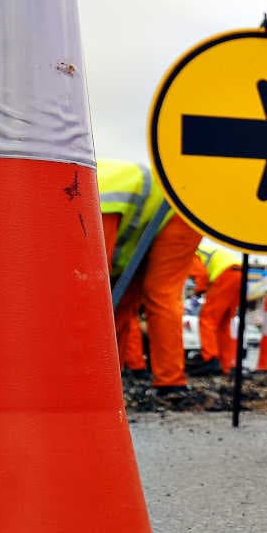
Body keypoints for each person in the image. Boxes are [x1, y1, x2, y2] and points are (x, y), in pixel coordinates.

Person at [97, 159, 200, 389]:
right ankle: (107, 378)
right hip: (160, 207)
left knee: (160, 293)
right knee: (120, 302)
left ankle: (170, 381)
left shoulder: (80, 202)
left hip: (176, 208)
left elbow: (87, 286)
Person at [195, 245, 243, 373]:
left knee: (207, 319)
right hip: (239, 274)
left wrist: (199, 289)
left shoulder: (193, 252)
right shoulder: (206, 250)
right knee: (223, 323)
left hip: (225, 274)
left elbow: (200, 273)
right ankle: (225, 364)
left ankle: (210, 359)